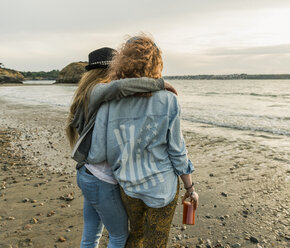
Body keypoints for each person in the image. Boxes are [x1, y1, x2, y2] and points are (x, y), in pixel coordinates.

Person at [87, 35, 199, 248]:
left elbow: (99, 152)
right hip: (161, 188)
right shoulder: (168, 100)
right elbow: (177, 151)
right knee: (155, 242)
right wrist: (190, 188)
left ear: (121, 63)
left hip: (128, 186)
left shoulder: (109, 102)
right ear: (156, 64)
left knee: (136, 235)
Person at [67, 47, 177, 248]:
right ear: (109, 70)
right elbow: (119, 88)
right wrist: (159, 83)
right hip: (100, 178)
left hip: (87, 174)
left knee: (91, 233)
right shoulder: (97, 92)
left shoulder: (88, 93)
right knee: (119, 237)